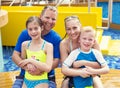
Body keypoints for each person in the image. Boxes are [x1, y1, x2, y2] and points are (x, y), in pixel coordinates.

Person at [12, 6, 61, 88]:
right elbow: (15, 55)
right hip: (25, 76)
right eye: (47, 17)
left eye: (53, 19)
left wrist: (40, 69)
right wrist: (28, 68)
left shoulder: (55, 38)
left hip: (47, 77)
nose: (50, 21)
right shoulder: (25, 34)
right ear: (40, 17)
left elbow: (56, 61)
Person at [60, 15, 104, 88]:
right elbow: (65, 70)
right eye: (68, 29)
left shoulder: (91, 41)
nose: (72, 32)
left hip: (92, 73)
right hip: (73, 75)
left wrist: (83, 63)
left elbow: (100, 65)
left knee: (97, 82)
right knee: (65, 84)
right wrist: (80, 72)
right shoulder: (64, 44)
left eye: (75, 28)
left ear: (80, 26)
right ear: (65, 30)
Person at [19, 16, 53, 88]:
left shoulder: (48, 46)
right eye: (30, 29)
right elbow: (22, 63)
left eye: (36, 28)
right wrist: (28, 65)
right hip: (26, 80)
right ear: (27, 30)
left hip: (41, 80)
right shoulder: (25, 45)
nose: (33, 32)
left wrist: (30, 60)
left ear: (42, 28)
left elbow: (48, 68)